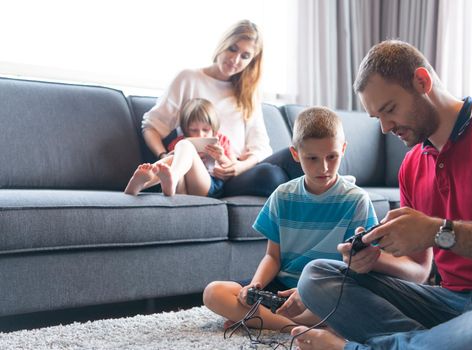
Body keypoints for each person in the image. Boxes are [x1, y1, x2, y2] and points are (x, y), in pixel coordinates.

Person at [284, 40, 472, 350]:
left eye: (390, 110)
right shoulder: (411, 165)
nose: (385, 128)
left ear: (422, 82)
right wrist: (375, 260)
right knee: (316, 276)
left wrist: (440, 232)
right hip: (446, 305)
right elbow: (419, 271)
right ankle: (431, 344)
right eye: (377, 118)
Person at [203, 106, 379, 331]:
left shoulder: (356, 200)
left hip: (326, 291)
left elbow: (355, 269)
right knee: (214, 293)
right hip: (282, 289)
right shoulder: (282, 195)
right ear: (295, 154)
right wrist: (256, 284)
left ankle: (262, 320)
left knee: (358, 304)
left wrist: (308, 292)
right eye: (312, 158)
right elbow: (273, 257)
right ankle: (291, 326)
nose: (323, 167)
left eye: (332, 157)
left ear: (343, 149)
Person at [140, 19, 288, 197]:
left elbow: (261, 148)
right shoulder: (188, 79)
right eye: (232, 49)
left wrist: (239, 167)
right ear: (222, 44)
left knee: (288, 163)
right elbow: (151, 127)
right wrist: (164, 155)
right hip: (201, 170)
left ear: (252, 61)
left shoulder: (249, 92)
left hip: (236, 171)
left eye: (245, 56)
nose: (235, 59)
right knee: (273, 176)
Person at [125, 98, 232, 197]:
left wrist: (221, 158)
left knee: (184, 145)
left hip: (208, 185)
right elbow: (170, 160)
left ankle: (170, 178)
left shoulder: (221, 141)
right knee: (176, 155)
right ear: (185, 129)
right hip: (181, 189)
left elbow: (232, 168)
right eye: (194, 130)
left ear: (214, 129)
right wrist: (172, 155)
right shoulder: (179, 141)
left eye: (206, 130)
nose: (200, 134)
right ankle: (140, 185)